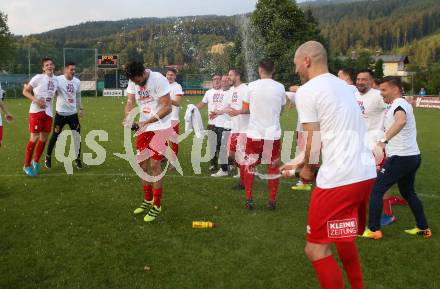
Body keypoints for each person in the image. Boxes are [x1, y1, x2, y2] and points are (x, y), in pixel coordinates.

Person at [287, 41, 376, 289]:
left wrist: (306, 171)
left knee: (315, 249)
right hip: (364, 173)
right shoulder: (345, 88)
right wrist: (299, 162)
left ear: (306, 60)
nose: (296, 71)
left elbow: (314, 141)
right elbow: (330, 135)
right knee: (342, 237)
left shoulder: (308, 90)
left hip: (339, 179)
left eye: (296, 64)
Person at [362, 76, 432, 239]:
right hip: (412, 156)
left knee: (377, 190)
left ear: (395, 89)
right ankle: (423, 228)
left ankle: (373, 230)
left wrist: (383, 141)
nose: (381, 93)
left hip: (401, 158)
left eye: (384, 90)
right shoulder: (400, 104)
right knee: (408, 193)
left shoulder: (399, 104)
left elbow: (400, 121)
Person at [356, 69, 406, 225]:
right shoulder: (354, 95)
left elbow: (393, 111)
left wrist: (384, 136)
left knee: (379, 181)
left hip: (376, 145)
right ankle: (363, 209)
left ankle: (388, 214)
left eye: (364, 79)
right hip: (360, 144)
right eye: (358, 79)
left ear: (371, 82)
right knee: (363, 179)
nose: (360, 82)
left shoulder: (378, 96)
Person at [124, 61, 172, 222]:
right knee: (142, 165)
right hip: (144, 127)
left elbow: (168, 107)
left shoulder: (158, 79)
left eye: (137, 80)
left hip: (160, 126)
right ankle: (147, 199)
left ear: (143, 72)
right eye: (134, 81)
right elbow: (130, 102)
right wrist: (128, 116)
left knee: (154, 165)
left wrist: (147, 122)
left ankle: (157, 204)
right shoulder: (133, 81)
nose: (136, 84)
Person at [241, 59, 286, 210]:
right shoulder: (280, 87)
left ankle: (249, 199)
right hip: (272, 135)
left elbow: (245, 108)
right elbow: (281, 110)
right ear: (273, 70)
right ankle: (272, 201)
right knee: (273, 167)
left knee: (250, 166)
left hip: (254, 134)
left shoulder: (251, 86)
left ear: (260, 70)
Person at [22, 57, 58, 177]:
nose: (49, 66)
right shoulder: (38, 77)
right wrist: (37, 100)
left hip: (48, 113)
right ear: (43, 68)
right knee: (34, 138)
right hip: (36, 112)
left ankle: (35, 161)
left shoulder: (56, 80)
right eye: (47, 65)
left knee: (43, 139)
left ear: (54, 66)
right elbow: (25, 92)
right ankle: (26, 165)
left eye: (51, 64)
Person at [45, 62, 84, 169]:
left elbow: (78, 95)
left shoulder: (77, 81)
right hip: (60, 115)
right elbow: (52, 91)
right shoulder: (58, 79)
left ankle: (77, 159)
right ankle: (48, 157)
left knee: (77, 137)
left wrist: (81, 108)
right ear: (66, 70)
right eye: (71, 69)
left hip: (73, 115)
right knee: (55, 136)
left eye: (74, 69)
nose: (73, 71)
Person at [227, 69, 249, 189]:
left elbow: (250, 109)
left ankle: (244, 180)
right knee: (231, 155)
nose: (228, 77)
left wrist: (238, 112)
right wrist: (219, 112)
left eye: (230, 75)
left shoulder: (245, 89)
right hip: (234, 128)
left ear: (238, 76)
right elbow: (230, 106)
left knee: (241, 156)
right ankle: (246, 172)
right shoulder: (231, 90)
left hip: (244, 129)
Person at [208, 75, 232, 177]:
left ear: (230, 82)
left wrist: (220, 112)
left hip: (228, 124)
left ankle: (224, 169)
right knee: (219, 146)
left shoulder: (232, 93)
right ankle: (228, 165)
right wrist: (215, 114)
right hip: (217, 123)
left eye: (226, 81)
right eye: (222, 81)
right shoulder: (219, 93)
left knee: (224, 147)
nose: (223, 82)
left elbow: (231, 106)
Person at [197, 75, 222, 173]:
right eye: (215, 79)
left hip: (224, 123)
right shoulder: (208, 93)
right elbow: (202, 104)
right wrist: (192, 109)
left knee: (223, 145)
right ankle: (213, 164)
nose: (216, 81)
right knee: (212, 145)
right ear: (212, 81)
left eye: (218, 79)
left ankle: (228, 164)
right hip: (212, 123)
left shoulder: (226, 91)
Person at [165, 68, 184, 163]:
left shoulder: (177, 87)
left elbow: (177, 103)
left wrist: (165, 99)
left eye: (172, 75)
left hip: (173, 118)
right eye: (168, 74)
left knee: (173, 141)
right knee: (161, 139)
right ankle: (164, 156)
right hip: (162, 118)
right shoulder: (162, 86)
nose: (169, 76)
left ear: (175, 76)